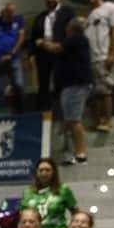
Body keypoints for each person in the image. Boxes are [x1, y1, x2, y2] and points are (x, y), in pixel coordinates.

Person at [39, 17, 92, 164]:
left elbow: (56, 48)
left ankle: (81, 153)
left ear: (71, 28)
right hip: (69, 85)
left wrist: (42, 43)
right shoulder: (76, 41)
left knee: (74, 119)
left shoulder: (75, 38)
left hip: (75, 84)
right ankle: (71, 153)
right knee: (69, 121)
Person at [28, 0, 75, 112]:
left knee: (61, 81)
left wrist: (63, 46)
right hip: (43, 54)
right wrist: (32, 55)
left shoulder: (68, 12)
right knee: (43, 83)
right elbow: (33, 37)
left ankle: (62, 109)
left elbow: (73, 32)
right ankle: (44, 110)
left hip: (61, 52)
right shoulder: (40, 17)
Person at [84, 0, 114, 132]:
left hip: (103, 56)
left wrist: (112, 53)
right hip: (90, 59)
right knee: (94, 94)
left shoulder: (111, 8)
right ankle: (97, 121)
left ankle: (108, 121)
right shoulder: (89, 15)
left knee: (105, 90)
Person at [20, 158, 77, 228]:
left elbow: (76, 214)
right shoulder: (28, 192)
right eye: (41, 170)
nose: (44, 173)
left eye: (47, 170)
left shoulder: (63, 189)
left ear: (54, 172)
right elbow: (22, 217)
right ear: (36, 172)